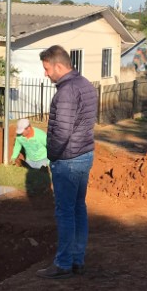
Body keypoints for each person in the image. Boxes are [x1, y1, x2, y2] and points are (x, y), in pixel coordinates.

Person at [37, 45, 97, 279]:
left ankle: (63, 263)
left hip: (68, 160)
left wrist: (52, 155)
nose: (46, 74)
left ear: (59, 66)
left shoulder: (66, 92)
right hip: (84, 156)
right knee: (78, 209)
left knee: (65, 212)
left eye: (47, 68)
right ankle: (76, 259)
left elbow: (61, 132)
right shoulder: (85, 84)